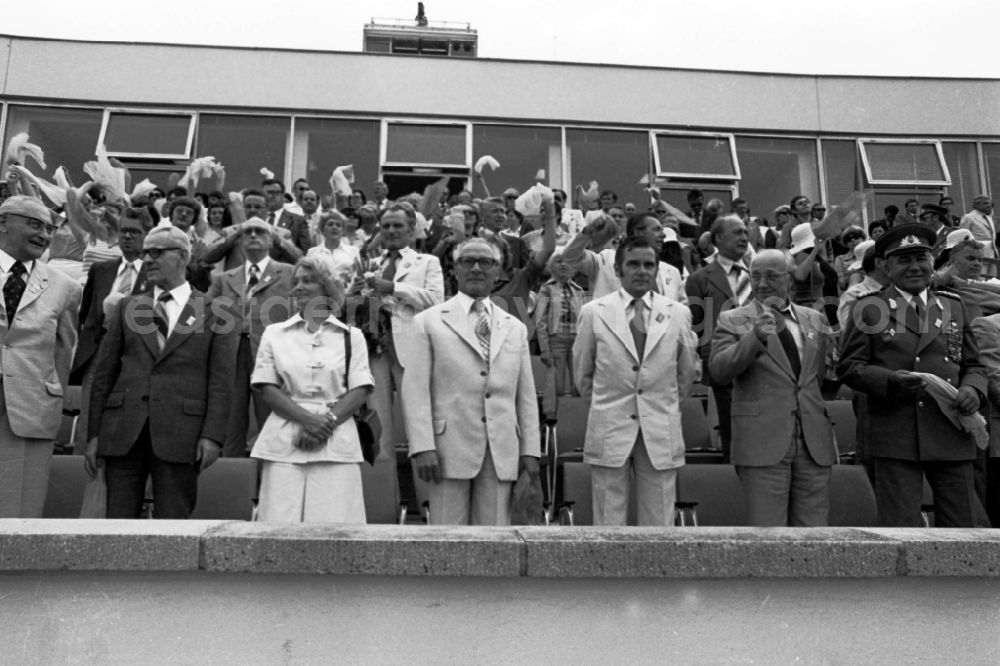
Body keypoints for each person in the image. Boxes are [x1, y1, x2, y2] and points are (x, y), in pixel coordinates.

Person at [838, 224, 988, 527]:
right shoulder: (868, 308)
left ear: (932, 262)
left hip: (950, 429)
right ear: (886, 266)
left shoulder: (953, 306)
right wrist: (890, 380)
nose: (915, 267)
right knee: (902, 529)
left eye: (921, 258)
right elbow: (850, 367)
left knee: (963, 527)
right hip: (897, 432)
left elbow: (974, 365)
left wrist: (974, 389)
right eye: (904, 260)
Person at [86, 223, 235, 519]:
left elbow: (221, 381)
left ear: (181, 257)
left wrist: (213, 436)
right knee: (116, 526)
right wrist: (93, 435)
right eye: (145, 253)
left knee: (174, 525)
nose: (148, 259)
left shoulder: (216, 311)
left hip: (183, 434)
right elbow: (104, 375)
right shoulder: (128, 306)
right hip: (122, 433)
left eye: (156, 252)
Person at [403, 237, 540, 526]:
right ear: (454, 270)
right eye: (468, 261)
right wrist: (423, 446)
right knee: (447, 542)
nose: (476, 268)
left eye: (486, 262)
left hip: (501, 449)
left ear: (499, 272)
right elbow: (415, 391)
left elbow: (525, 396)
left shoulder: (514, 327)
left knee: (496, 541)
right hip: (446, 451)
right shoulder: (428, 322)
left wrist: (530, 452)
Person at [573, 237, 698, 525]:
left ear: (656, 270)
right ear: (618, 269)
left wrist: (661, 404)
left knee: (660, 521)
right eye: (633, 264)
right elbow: (583, 373)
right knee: (608, 519)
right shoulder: (594, 312)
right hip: (610, 423)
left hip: (659, 423)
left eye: (648, 265)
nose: (642, 271)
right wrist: (606, 406)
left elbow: (686, 373)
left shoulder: (678, 314)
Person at [709, 250, 837, 526]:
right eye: (755, 276)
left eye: (771, 276)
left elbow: (817, 377)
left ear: (790, 279)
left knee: (814, 535)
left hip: (813, 441)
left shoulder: (815, 319)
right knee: (768, 536)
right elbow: (719, 371)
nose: (762, 283)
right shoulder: (732, 319)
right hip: (762, 442)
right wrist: (753, 337)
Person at [250, 256, 374, 523]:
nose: (299, 287)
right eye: (295, 282)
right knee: (279, 526)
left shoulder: (352, 337)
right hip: (284, 442)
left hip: (337, 442)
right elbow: (267, 387)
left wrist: (326, 423)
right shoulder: (274, 333)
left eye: (308, 281)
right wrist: (308, 420)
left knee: (336, 529)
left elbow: (361, 389)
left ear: (327, 287)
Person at [0, 196, 82, 517]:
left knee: (19, 510)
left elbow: (65, 351)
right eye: (35, 225)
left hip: (30, 411)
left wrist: (53, 399)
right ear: (4, 222)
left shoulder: (65, 287)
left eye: (49, 229)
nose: (45, 235)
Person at [347, 205, 444, 465]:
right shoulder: (371, 264)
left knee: (418, 422)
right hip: (374, 349)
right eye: (386, 226)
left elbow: (436, 301)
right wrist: (354, 295)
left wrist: (394, 287)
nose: (390, 231)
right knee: (377, 424)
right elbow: (352, 312)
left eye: (397, 225)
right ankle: (383, 496)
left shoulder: (427, 262)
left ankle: (425, 496)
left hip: (411, 349)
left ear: (412, 230)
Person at [207, 217, 294, 457]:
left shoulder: (288, 273)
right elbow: (204, 312)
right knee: (231, 421)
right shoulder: (223, 279)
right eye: (247, 233)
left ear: (270, 240)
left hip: (271, 354)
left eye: (260, 232)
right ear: (240, 241)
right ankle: (232, 479)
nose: (253, 236)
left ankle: (270, 479)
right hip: (232, 353)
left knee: (271, 418)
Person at [684, 215, 750, 462]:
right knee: (732, 434)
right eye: (737, 232)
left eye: (745, 232)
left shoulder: (757, 274)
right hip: (725, 363)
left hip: (761, 361)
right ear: (719, 239)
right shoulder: (699, 279)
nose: (744, 237)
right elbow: (697, 326)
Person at [562, 212, 686, 302]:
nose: (664, 235)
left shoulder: (672, 272)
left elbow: (682, 314)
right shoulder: (607, 259)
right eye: (657, 230)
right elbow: (570, 257)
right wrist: (586, 233)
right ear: (638, 232)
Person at [534, 249, 584, 420]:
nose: (564, 265)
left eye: (567, 261)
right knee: (556, 384)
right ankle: (552, 418)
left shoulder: (578, 291)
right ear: (551, 267)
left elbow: (583, 319)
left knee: (579, 381)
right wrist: (544, 349)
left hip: (576, 340)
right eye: (559, 261)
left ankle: (578, 418)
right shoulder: (547, 289)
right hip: (556, 340)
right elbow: (540, 321)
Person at [306, 211, 361, 281]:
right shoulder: (312, 253)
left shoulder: (353, 251)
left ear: (343, 231)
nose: (334, 227)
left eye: (338, 225)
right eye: (330, 224)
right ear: (322, 230)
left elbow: (358, 276)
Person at [262, 178, 311, 253]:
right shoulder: (254, 218)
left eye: (276, 193)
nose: (271, 196)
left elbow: (305, 252)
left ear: (283, 195)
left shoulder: (297, 221)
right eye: (268, 193)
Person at [959, 195, 997, 278]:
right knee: (980, 277)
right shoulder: (968, 217)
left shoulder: (988, 217)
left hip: (992, 252)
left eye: (989, 203)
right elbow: (963, 237)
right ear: (977, 205)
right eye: (986, 203)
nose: (989, 206)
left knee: (992, 278)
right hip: (977, 254)